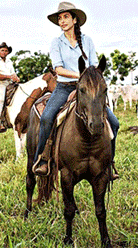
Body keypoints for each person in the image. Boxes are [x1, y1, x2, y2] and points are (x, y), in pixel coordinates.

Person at [31, 2, 119, 180]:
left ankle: (109, 164)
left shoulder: (87, 41)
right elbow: (59, 69)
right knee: (47, 118)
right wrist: (80, 75)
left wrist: (89, 78)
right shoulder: (57, 43)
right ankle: (42, 159)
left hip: (87, 89)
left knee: (114, 123)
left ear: (74, 19)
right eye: (60, 18)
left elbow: (94, 65)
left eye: (65, 17)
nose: (62, 21)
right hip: (64, 87)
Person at [0, 42, 20, 132]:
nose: (4, 52)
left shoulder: (9, 61)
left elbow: (12, 72)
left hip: (9, 83)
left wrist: (16, 77)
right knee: (1, 99)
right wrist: (9, 76)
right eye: (2, 50)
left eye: (6, 51)